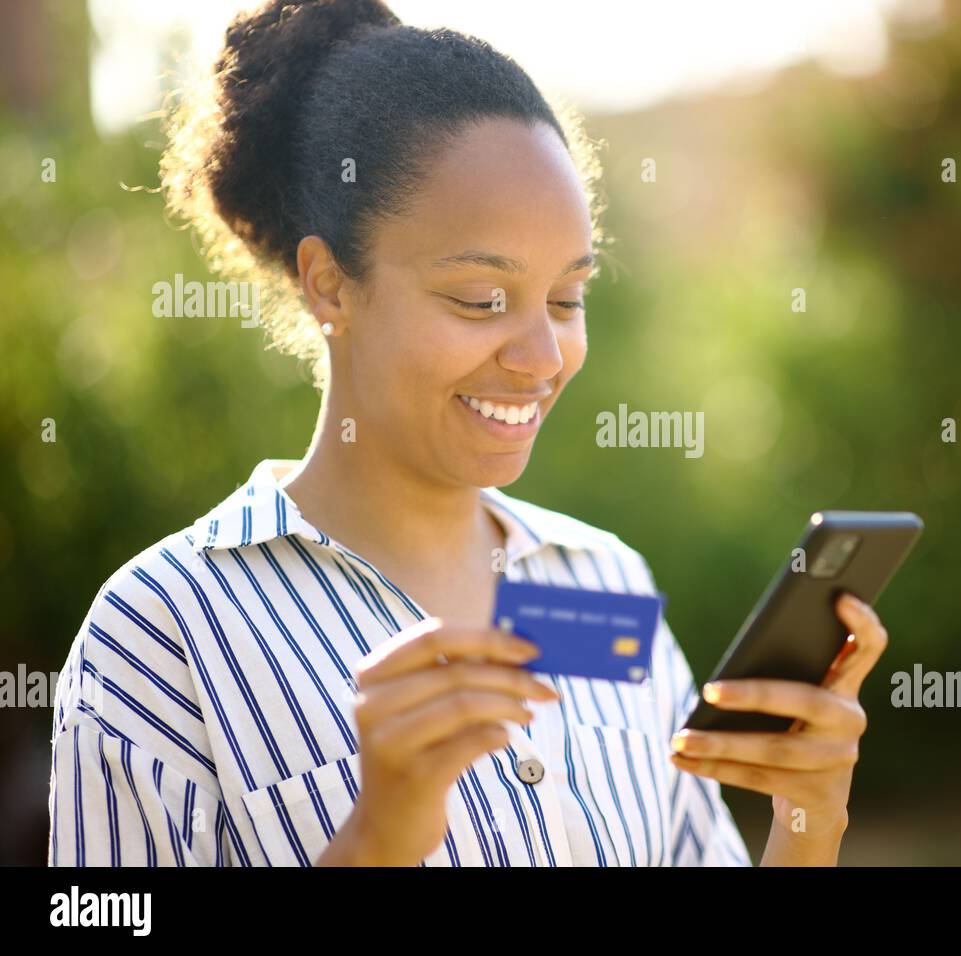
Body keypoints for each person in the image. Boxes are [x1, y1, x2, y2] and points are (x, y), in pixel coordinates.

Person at [46, 0, 890, 867]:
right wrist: (376, 841)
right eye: (483, 301)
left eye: (567, 300)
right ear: (330, 284)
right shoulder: (163, 634)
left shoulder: (601, 588)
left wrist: (805, 822)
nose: (540, 357)